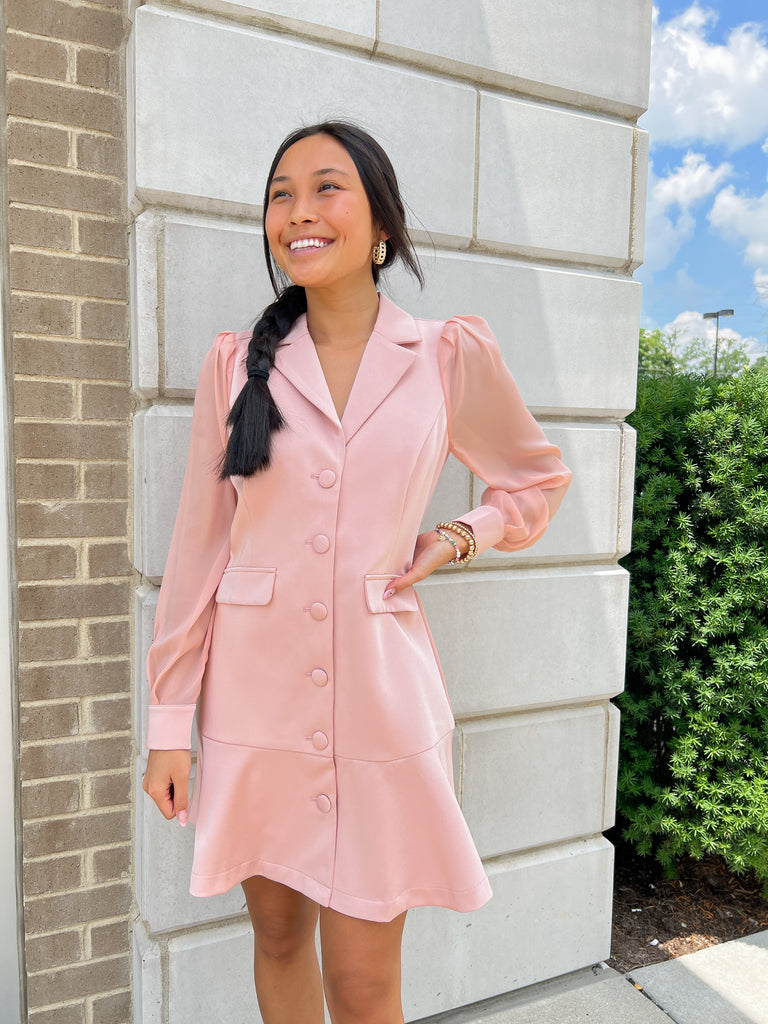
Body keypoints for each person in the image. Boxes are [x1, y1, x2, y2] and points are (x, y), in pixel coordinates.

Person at [142, 120, 571, 1024]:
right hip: (253, 704)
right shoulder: (237, 366)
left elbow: (535, 477)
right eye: (280, 193)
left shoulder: (447, 355)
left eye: (326, 187)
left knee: (370, 982)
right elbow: (198, 550)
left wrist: (460, 534)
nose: (299, 211)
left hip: (380, 699)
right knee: (278, 938)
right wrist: (168, 722)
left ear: (382, 225)